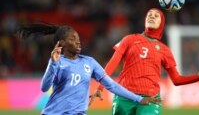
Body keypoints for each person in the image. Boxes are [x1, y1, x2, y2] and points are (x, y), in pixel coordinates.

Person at [89, 8, 199, 115]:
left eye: (156, 16)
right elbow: (113, 63)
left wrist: (198, 77)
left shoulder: (165, 50)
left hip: (150, 99)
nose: (152, 17)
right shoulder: (129, 39)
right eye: (149, 15)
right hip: (124, 96)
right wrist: (100, 87)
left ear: (161, 22)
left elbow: (176, 79)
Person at [16, 24, 160, 115]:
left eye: (78, 38)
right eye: (72, 39)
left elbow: (112, 85)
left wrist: (138, 99)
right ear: (62, 44)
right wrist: (52, 64)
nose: (78, 41)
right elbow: (44, 87)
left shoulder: (89, 63)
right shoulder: (58, 62)